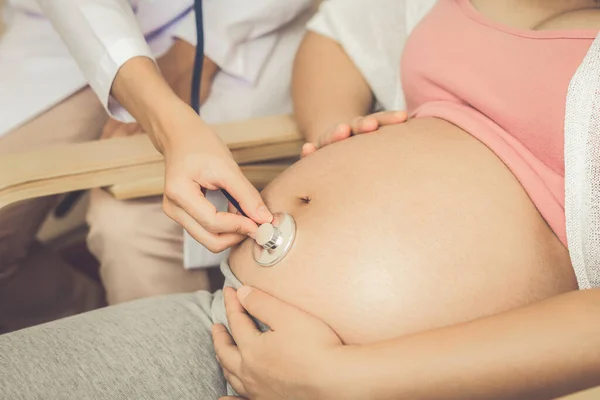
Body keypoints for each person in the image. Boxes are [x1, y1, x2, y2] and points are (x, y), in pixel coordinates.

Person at [2, 0, 600, 399]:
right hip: (227, 334)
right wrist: (338, 139)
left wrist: (346, 379)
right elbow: (338, 32)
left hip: (398, 380)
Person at [0, 0, 311, 332]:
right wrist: (165, 121)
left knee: (129, 228)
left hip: (245, 23)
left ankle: (180, 364)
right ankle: (84, 325)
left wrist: (192, 56)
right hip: (63, 33)